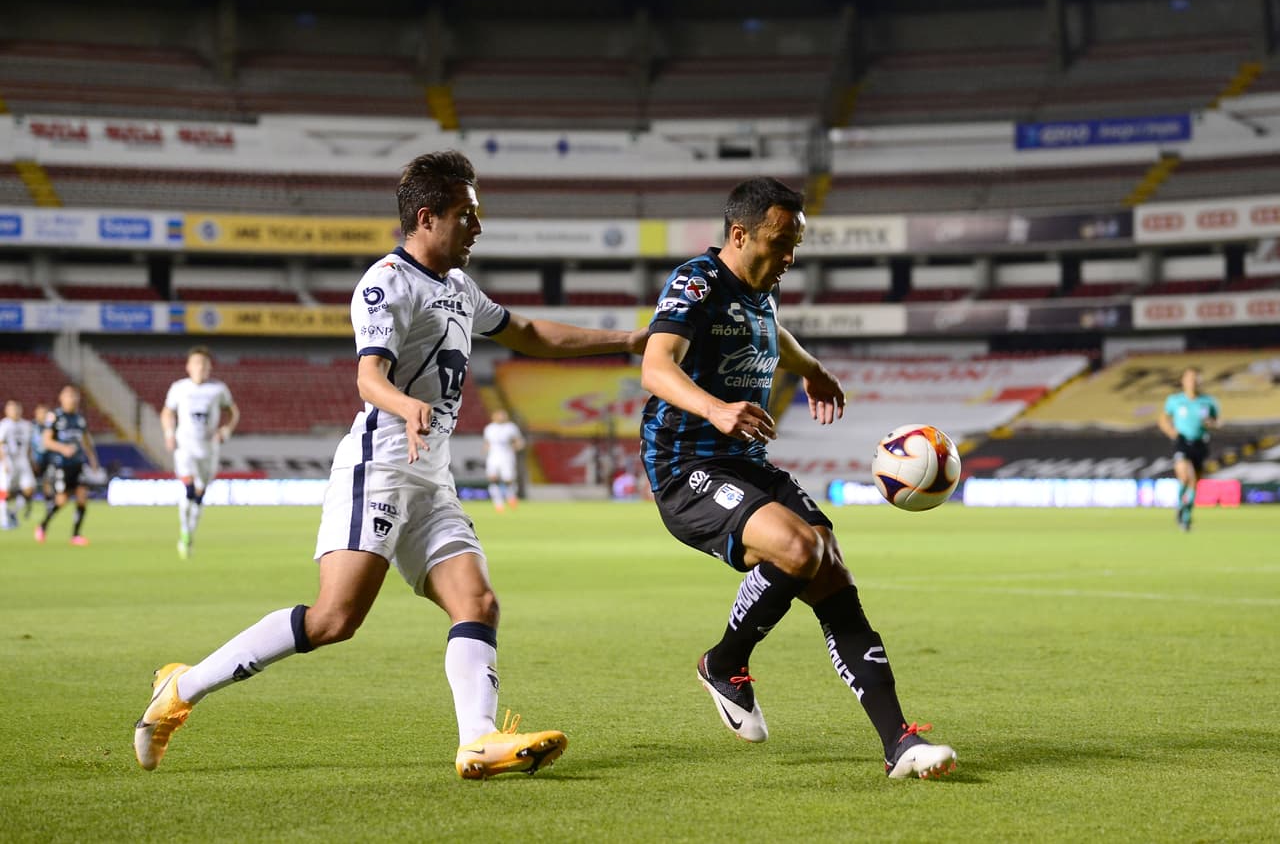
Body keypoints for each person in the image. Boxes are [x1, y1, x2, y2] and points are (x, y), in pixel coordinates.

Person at [133, 150, 647, 779]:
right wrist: (408, 405)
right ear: (427, 218)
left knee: (478, 603)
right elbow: (368, 376)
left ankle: (479, 741)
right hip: (380, 463)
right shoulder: (385, 284)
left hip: (431, 473)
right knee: (333, 620)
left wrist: (628, 341)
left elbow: (528, 332)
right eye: (468, 216)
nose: (478, 228)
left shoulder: (459, 288)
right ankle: (179, 691)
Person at [639, 177, 956, 780]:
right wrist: (715, 408)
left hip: (747, 464)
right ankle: (724, 662)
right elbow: (657, 364)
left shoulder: (761, 289)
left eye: (796, 245)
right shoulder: (696, 283)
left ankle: (900, 743)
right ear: (739, 235)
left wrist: (811, 369)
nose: (790, 257)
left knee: (830, 564)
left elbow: (768, 330)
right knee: (797, 546)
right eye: (781, 243)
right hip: (687, 468)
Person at [161, 346, 239, 559]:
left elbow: (233, 411)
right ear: (188, 367)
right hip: (185, 447)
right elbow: (167, 411)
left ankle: (189, 532)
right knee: (188, 489)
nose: (200, 367)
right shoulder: (179, 388)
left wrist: (226, 430)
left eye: (204, 364)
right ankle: (184, 531)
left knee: (199, 495)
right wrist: (169, 433)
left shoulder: (218, 389)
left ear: (209, 368)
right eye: (196, 363)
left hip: (209, 450)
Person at [1158, 366, 1220, 532]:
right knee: (1185, 477)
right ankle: (1181, 507)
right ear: (1183, 381)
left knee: (1195, 482)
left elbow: (1215, 421)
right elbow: (1163, 420)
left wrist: (1211, 424)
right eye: (1189, 378)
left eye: (1195, 378)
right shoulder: (1175, 400)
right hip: (1182, 442)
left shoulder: (1208, 401)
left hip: (1200, 443)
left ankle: (1186, 513)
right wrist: (1172, 433)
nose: (1192, 381)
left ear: (1199, 381)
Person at [35, 385, 100, 546]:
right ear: (61, 398)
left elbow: (85, 440)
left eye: (74, 396)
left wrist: (92, 459)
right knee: (62, 500)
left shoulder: (79, 419)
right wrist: (63, 448)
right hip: (61, 465)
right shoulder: (55, 417)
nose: (72, 399)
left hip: (78, 463)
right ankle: (43, 525)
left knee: (82, 497)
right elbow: (46, 441)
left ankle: (76, 535)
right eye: (69, 396)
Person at [0, 400, 37, 528]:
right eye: (11, 408)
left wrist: (31, 460)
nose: (15, 411)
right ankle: (4, 519)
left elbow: (29, 446)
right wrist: (3, 461)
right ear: (6, 411)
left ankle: (12, 512)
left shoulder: (27, 425)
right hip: (8, 460)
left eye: (17, 408)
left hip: (23, 460)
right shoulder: (4, 425)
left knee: (30, 489)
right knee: (5, 491)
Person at [482, 408, 524, 511]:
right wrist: (484, 450)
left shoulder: (511, 427)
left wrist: (516, 447)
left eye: (503, 415)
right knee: (493, 478)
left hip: (507, 455)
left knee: (508, 479)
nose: (502, 417)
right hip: (493, 456)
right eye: (499, 415)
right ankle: (498, 503)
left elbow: (518, 441)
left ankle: (511, 497)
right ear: (494, 416)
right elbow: (487, 442)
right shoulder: (489, 428)